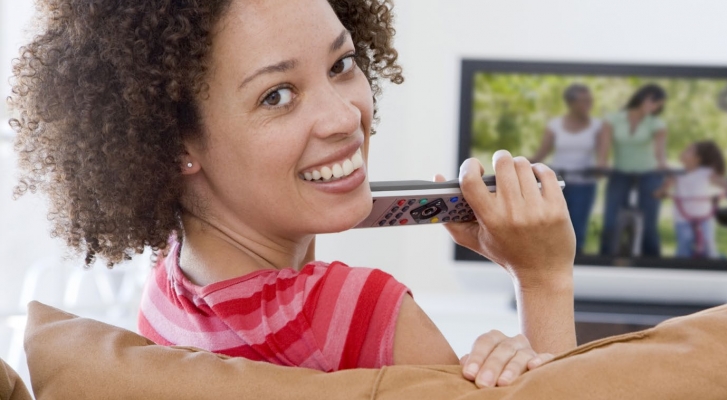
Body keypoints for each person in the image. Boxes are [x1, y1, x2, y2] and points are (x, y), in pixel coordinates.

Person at [8, 0, 576, 389]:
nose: (343, 116)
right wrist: (542, 278)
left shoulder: (168, 288)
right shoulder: (365, 315)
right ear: (173, 143)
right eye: (277, 95)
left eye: (342, 64)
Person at [530, 84, 603, 253]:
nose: (588, 104)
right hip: (556, 183)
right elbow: (541, 154)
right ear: (571, 103)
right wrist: (521, 162)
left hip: (584, 183)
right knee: (551, 225)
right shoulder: (555, 125)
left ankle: (576, 262)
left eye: (589, 100)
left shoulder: (598, 126)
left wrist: (600, 168)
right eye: (583, 101)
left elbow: (602, 156)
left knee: (576, 228)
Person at [597, 84, 668, 257]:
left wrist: (663, 170)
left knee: (649, 223)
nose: (655, 107)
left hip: (649, 174)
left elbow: (660, 152)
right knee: (610, 220)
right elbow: (605, 146)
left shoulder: (657, 123)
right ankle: (605, 258)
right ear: (642, 97)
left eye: (658, 105)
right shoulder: (613, 119)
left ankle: (652, 260)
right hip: (620, 173)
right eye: (653, 101)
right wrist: (601, 164)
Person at [656, 141, 727, 258]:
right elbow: (665, 187)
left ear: (697, 158)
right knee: (684, 244)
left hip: (704, 216)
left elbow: (720, 181)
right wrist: (661, 192)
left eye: (688, 150)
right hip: (682, 217)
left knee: (709, 245)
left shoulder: (706, 173)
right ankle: (681, 270)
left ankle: (713, 267)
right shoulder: (677, 173)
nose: (682, 152)